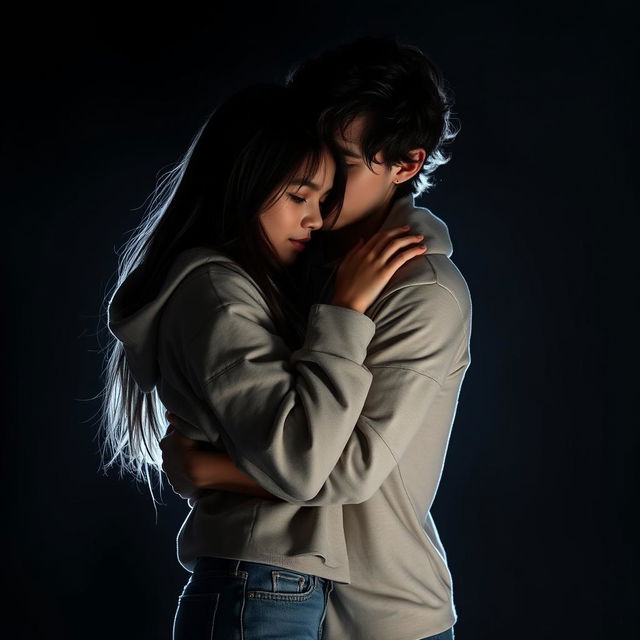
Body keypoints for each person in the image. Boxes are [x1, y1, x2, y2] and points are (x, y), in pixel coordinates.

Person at [160, 35, 471, 640]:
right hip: (281, 594)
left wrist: (213, 471)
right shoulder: (289, 259)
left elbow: (347, 470)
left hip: (384, 617)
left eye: (341, 161)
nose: (317, 178)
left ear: (406, 164)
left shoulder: (424, 292)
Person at [101, 82, 425, 639]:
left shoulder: (241, 288)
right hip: (259, 584)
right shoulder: (218, 297)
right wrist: (345, 310)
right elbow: (305, 463)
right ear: (242, 185)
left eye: (322, 201)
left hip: (270, 583)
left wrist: (212, 470)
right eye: (300, 197)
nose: (317, 220)